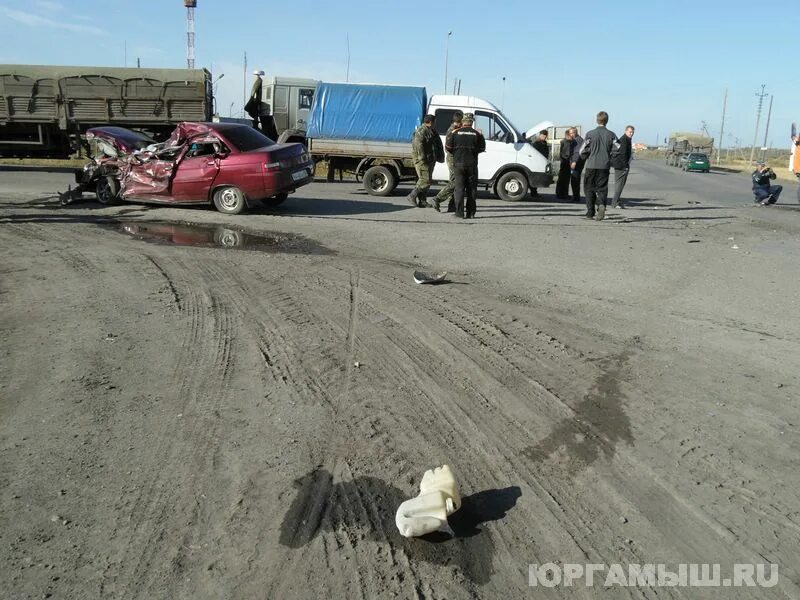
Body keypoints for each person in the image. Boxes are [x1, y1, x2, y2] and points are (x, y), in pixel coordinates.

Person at [446, 112, 486, 219]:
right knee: (471, 189)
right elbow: (482, 149)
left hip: (458, 165)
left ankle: (459, 213)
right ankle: (471, 213)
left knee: (459, 189)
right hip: (472, 165)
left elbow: (448, 148)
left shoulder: (455, 132)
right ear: (472, 122)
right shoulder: (478, 134)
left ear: (462, 121)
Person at [579, 111, 617, 220]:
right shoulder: (612, 135)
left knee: (589, 189)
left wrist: (585, 156)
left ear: (597, 120)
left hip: (591, 165)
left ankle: (590, 212)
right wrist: (610, 157)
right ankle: (601, 205)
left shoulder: (590, 134)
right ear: (607, 121)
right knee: (602, 188)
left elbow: (582, 150)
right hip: (604, 166)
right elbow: (618, 148)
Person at [407, 114, 443, 208]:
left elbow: (437, 144)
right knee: (425, 180)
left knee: (428, 180)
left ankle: (422, 201)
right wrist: (422, 159)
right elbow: (419, 145)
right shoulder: (421, 131)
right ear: (431, 122)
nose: (435, 124)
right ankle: (412, 195)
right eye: (434, 122)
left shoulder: (432, 131)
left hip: (430, 159)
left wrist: (439, 157)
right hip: (422, 160)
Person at [431, 110, 463, 212]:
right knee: (454, 182)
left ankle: (452, 205)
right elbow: (449, 147)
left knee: (454, 182)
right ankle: (437, 199)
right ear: (458, 122)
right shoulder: (452, 131)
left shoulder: (456, 129)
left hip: (455, 158)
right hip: (453, 159)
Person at [245, 70, 279, 140]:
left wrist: (252, 99)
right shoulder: (259, 81)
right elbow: (254, 93)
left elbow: (254, 92)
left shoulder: (259, 81)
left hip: (258, 103)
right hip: (258, 104)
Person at [612, 125, 635, 208]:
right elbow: (623, 154)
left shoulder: (627, 139)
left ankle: (617, 201)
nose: (631, 134)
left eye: (632, 132)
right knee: (619, 184)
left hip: (620, 165)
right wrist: (625, 166)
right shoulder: (624, 140)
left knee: (620, 184)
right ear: (626, 131)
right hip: (621, 166)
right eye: (630, 132)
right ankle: (615, 202)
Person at [555, 129, 575, 199]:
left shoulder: (566, 142)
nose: (572, 136)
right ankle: (563, 194)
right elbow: (567, 153)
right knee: (564, 179)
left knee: (563, 179)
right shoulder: (566, 142)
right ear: (567, 135)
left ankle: (560, 193)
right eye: (571, 134)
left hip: (564, 162)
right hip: (565, 162)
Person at [530, 129, 549, 198]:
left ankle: (534, 192)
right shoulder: (536, 143)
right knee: (536, 177)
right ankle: (533, 193)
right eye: (543, 135)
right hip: (537, 162)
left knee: (538, 177)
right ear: (540, 135)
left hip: (543, 161)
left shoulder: (544, 143)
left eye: (545, 135)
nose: (544, 137)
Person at [568, 127, 585, 203]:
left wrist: (574, 161)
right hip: (576, 162)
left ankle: (576, 197)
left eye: (572, 133)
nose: (571, 135)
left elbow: (577, 152)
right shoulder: (576, 140)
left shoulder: (578, 140)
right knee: (575, 180)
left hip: (577, 163)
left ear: (576, 132)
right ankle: (575, 196)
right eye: (570, 133)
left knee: (575, 180)